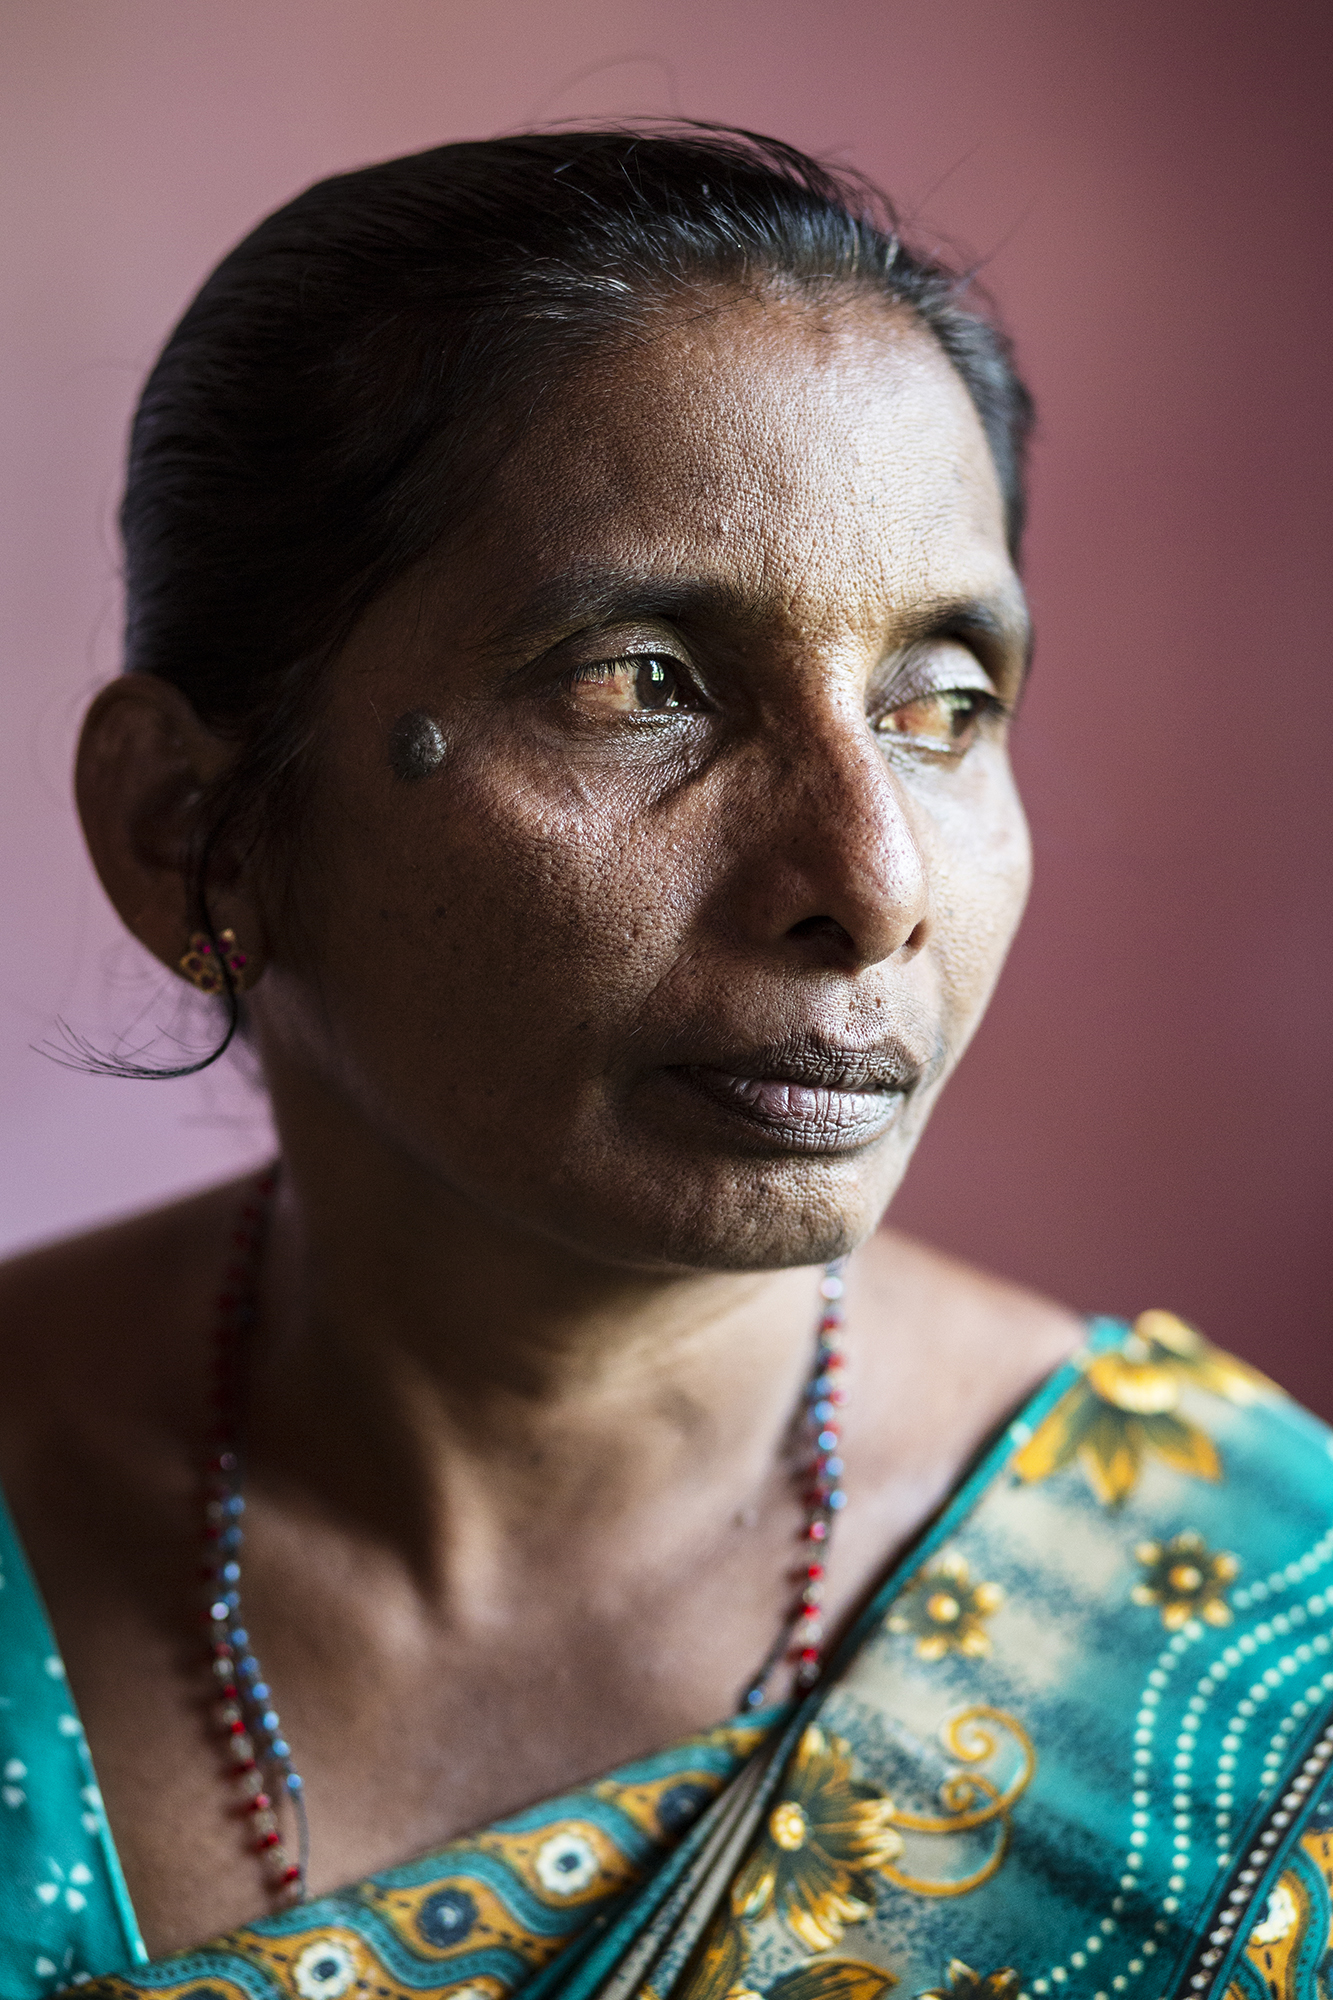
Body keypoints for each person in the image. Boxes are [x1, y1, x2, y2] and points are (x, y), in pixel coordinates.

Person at [0, 126, 1328, 2000]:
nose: (868, 889)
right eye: (645, 682)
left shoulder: (1256, 1668)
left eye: (942, 705)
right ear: (193, 829)